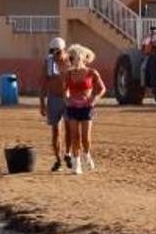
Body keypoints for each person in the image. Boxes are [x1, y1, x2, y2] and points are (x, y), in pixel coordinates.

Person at [63, 44, 106, 175]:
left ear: (82, 58)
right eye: (70, 58)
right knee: (75, 136)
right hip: (72, 107)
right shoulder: (68, 74)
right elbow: (64, 91)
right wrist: (67, 99)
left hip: (87, 107)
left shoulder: (91, 72)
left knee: (85, 138)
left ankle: (87, 154)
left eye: (74, 57)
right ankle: (77, 164)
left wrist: (94, 99)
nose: (72, 60)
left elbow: (102, 88)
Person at [38, 37, 70, 171]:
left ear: (63, 50)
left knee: (69, 128)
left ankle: (67, 154)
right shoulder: (48, 62)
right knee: (56, 130)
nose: (55, 55)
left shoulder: (71, 61)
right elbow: (43, 83)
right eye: (53, 52)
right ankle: (58, 159)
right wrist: (42, 103)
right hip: (53, 98)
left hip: (68, 99)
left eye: (58, 52)